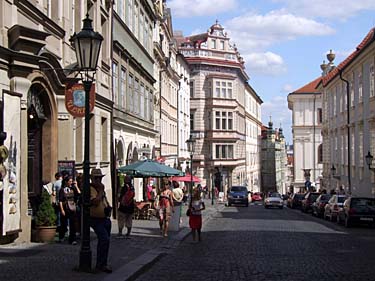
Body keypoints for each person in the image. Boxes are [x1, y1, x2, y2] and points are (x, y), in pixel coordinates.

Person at [89, 168, 112, 273]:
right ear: (92, 179)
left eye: (100, 178)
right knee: (104, 239)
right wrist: (101, 191)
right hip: (95, 219)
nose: (99, 180)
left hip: (105, 218)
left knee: (105, 242)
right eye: (96, 178)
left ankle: (103, 263)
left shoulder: (100, 189)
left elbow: (104, 201)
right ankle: (100, 264)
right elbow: (95, 202)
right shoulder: (91, 189)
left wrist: (108, 207)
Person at [58, 176, 80, 245]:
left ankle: (72, 239)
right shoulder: (62, 190)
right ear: (66, 182)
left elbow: (79, 194)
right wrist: (62, 210)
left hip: (72, 208)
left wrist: (76, 186)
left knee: (72, 224)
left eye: (71, 181)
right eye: (69, 181)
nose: (71, 183)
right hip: (65, 208)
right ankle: (61, 237)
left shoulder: (73, 188)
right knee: (63, 224)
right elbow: (60, 200)